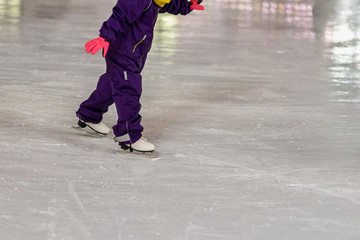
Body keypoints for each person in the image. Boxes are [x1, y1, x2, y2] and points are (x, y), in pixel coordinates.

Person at [76, 0, 204, 152]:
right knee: (129, 90)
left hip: (135, 52)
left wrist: (186, 6)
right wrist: (104, 37)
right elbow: (120, 14)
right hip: (123, 52)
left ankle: (89, 114)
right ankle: (129, 136)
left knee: (112, 84)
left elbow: (164, 3)